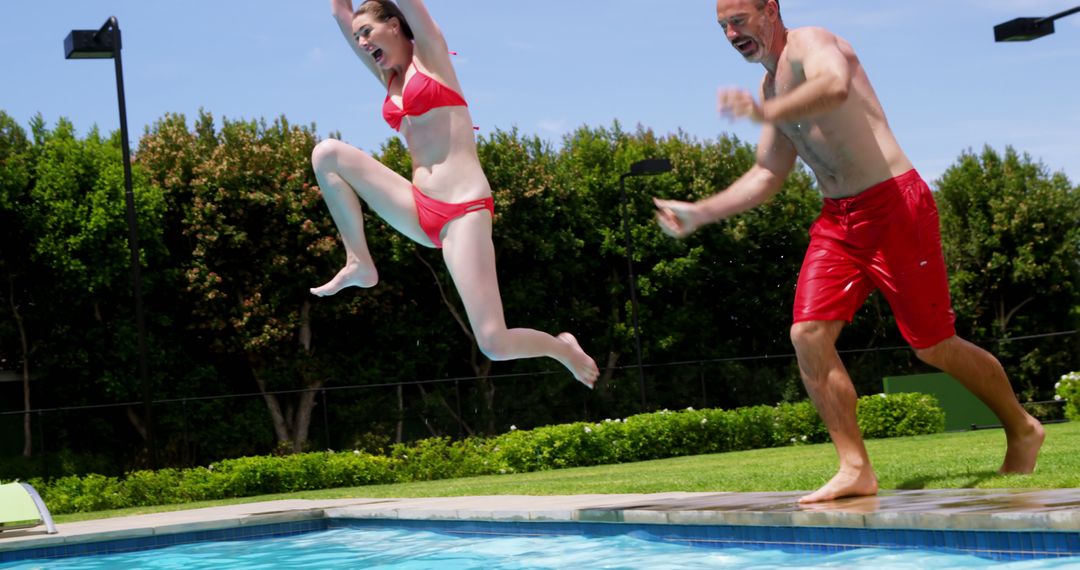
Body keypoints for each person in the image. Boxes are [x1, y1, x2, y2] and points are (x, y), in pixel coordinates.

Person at [653, 0, 1045, 503]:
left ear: (770, 10)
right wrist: (700, 212)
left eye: (739, 21)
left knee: (932, 344)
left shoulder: (812, 43)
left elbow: (833, 87)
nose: (731, 34)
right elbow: (769, 173)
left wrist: (765, 112)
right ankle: (855, 466)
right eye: (723, 26)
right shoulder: (770, 85)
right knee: (807, 334)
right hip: (839, 220)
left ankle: (1022, 427)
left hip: (895, 205)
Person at [311, 0, 599, 387]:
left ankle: (561, 348)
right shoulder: (388, 78)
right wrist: (347, 18)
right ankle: (359, 262)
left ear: (395, 25)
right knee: (326, 153)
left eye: (368, 32)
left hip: (463, 210)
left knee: (494, 343)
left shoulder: (431, 57)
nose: (361, 41)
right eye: (358, 35)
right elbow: (338, 13)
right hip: (418, 206)